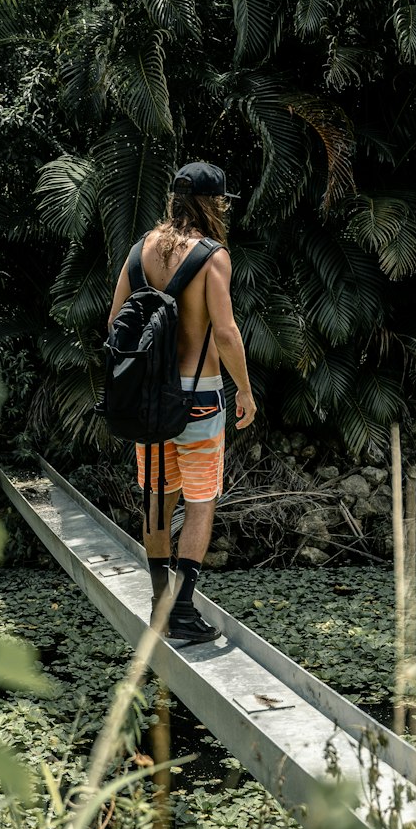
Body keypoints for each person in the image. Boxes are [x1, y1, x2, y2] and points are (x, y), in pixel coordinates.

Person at [107, 161, 256, 644]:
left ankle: (158, 605)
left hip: (149, 406)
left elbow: (115, 325)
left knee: (157, 499)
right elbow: (228, 332)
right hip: (200, 398)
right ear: (213, 205)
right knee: (199, 502)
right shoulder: (214, 257)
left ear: (173, 201)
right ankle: (185, 611)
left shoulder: (140, 252)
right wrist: (246, 392)